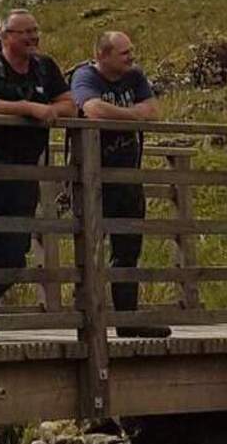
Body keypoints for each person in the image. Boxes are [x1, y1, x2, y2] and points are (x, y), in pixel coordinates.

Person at [0, 8, 74, 341]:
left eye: (35, 31)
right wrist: (28, 109)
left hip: (23, 169)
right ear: (4, 36)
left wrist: (50, 109)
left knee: (15, 249)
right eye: (25, 32)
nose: (33, 37)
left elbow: (68, 103)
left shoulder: (45, 67)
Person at [71, 31, 171, 337]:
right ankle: (88, 322)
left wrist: (127, 116)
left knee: (128, 248)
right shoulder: (85, 75)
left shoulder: (135, 76)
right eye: (124, 52)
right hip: (90, 177)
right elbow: (93, 109)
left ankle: (127, 319)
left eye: (131, 51)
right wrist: (133, 115)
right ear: (103, 55)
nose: (131, 57)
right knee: (89, 249)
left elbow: (153, 112)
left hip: (128, 175)